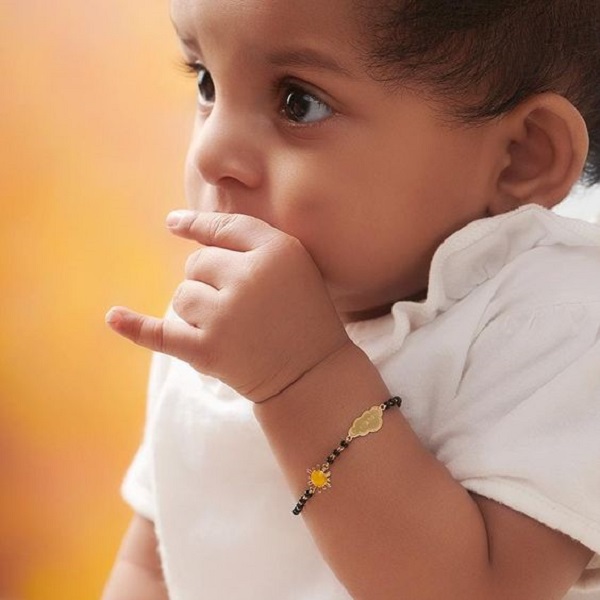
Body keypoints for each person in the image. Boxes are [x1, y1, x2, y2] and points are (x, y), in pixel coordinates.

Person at [102, 1, 600, 598]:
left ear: (520, 156)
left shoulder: (557, 325)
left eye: (298, 103)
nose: (210, 153)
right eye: (206, 81)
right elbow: (155, 562)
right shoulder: (224, 322)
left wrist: (303, 378)